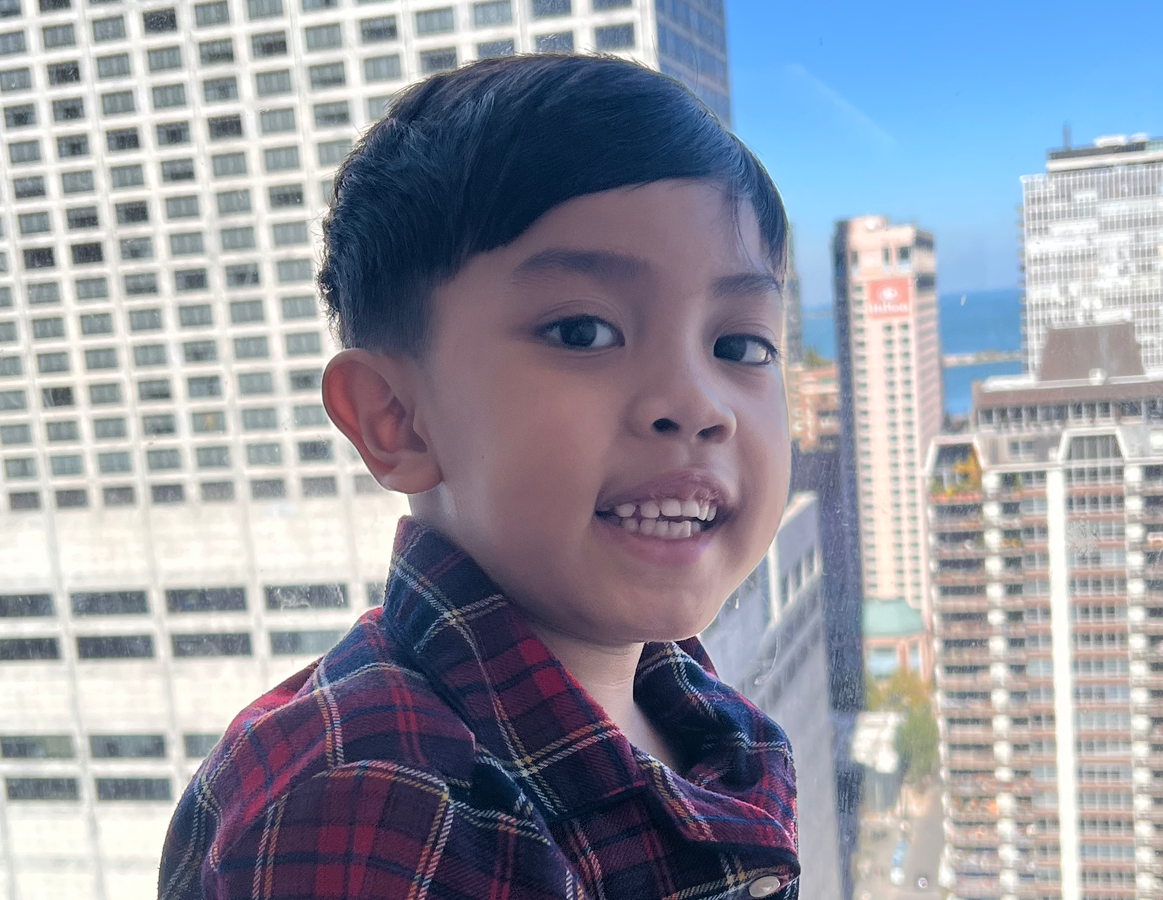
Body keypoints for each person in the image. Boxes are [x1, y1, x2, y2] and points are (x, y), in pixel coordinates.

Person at [158, 54, 800, 900]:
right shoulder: (371, 805)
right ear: (396, 418)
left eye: (741, 345)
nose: (695, 403)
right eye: (582, 332)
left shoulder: (697, 713)